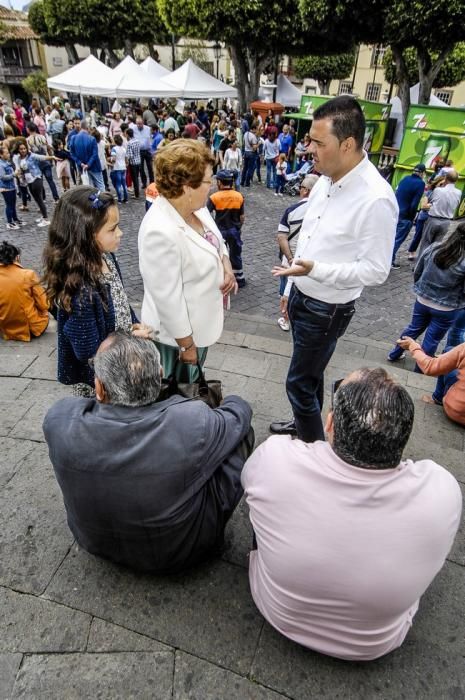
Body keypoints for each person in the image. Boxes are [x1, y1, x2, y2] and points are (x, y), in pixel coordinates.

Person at [242, 366, 461, 661]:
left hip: (277, 612)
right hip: (374, 645)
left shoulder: (276, 459)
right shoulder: (443, 490)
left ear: (330, 423)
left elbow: (248, 483)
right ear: (401, 437)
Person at [44, 331, 254, 574]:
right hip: (182, 553)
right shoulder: (191, 420)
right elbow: (240, 413)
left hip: (93, 542)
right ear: (161, 377)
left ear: (99, 388)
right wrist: (232, 400)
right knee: (242, 436)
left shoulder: (59, 419)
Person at [271, 96, 398, 442]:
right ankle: (304, 423)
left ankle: (314, 452)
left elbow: (376, 270)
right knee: (309, 377)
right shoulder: (326, 177)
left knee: (297, 383)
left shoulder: (376, 198)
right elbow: (310, 239)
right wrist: (291, 289)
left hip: (327, 308)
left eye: (318, 142)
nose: (309, 148)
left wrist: (316, 270)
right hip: (303, 294)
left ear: (348, 144)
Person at [138, 139, 237, 382]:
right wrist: (186, 346)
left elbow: (216, 240)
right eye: (207, 181)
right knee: (177, 395)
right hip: (175, 340)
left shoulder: (197, 208)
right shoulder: (159, 231)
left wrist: (226, 264)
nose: (212, 186)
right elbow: (167, 299)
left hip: (199, 326)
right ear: (185, 186)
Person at [42, 187, 152, 395]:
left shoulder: (106, 257)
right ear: (86, 236)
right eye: (112, 229)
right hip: (101, 379)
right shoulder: (81, 290)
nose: (120, 233)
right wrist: (131, 337)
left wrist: (133, 321)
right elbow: (87, 350)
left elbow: (120, 301)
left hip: (119, 360)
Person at [388, 222, 465, 367]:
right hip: (447, 307)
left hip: (422, 300)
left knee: (413, 328)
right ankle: (421, 368)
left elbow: (418, 271)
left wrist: (421, 289)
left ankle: (395, 353)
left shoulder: (435, 248)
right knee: (432, 339)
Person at [276, 174, 320, 330]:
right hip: (311, 263)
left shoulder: (292, 210)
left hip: (289, 262)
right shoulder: (323, 211)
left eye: (301, 187)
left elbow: (282, 237)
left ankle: (286, 320)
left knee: (285, 291)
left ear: (306, 190)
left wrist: (290, 259)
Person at [0, 240, 49, 341]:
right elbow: (44, 305)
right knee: (43, 293)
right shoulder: (28, 275)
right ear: (17, 257)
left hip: (5, 329)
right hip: (31, 330)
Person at [207, 169, 246, 288]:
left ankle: (221, 278)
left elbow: (206, 214)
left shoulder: (214, 197)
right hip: (234, 230)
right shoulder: (239, 196)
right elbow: (242, 217)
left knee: (219, 255)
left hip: (220, 232)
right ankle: (240, 279)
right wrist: (238, 228)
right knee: (236, 254)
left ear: (219, 182)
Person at [417, 170, 462, 258]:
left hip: (433, 219)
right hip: (446, 222)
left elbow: (428, 201)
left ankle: (419, 266)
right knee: (436, 246)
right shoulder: (459, 193)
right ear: (456, 181)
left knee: (425, 244)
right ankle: (427, 265)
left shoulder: (438, 190)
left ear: (445, 178)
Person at [391, 163, 426, 269]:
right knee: (397, 240)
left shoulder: (405, 179)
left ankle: (387, 259)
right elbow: (414, 203)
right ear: (422, 173)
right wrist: (412, 218)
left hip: (395, 212)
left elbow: (397, 193)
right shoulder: (420, 184)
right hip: (405, 216)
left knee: (391, 237)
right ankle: (388, 261)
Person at [12, 141, 54, 227]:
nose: (23, 150)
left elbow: (41, 157)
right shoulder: (18, 158)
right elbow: (17, 168)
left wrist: (52, 157)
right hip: (28, 180)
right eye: (21, 149)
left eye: (24, 148)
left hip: (36, 178)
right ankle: (43, 216)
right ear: (18, 150)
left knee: (39, 198)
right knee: (36, 198)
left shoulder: (31, 156)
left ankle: (46, 219)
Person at [27, 122, 60, 203]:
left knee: (40, 182)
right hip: (46, 161)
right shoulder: (42, 137)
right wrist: (51, 158)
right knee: (50, 181)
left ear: (28, 129)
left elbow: (29, 153)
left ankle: (43, 198)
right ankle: (56, 198)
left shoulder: (27, 140)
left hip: (36, 164)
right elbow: (48, 148)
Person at [70, 120, 105, 190]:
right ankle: (103, 200)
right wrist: (88, 164)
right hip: (94, 166)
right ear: (88, 127)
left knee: (89, 188)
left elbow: (72, 153)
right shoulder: (92, 139)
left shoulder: (73, 138)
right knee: (100, 185)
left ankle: (92, 200)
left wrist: (80, 163)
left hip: (82, 167)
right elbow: (94, 154)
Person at [0, 144, 22, 230]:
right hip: (6, 188)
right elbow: (3, 177)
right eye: (6, 153)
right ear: (1, 155)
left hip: (11, 187)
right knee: (9, 205)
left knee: (13, 205)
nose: (8, 154)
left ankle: (15, 219)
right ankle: (9, 222)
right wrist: (14, 174)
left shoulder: (6, 162)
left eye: (8, 153)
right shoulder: (1, 165)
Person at [132, 116, 153, 188]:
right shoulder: (133, 129)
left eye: (140, 124)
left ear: (143, 123)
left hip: (147, 150)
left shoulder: (148, 129)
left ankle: (152, 182)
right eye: (137, 124)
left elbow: (150, 139)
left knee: (150, 167)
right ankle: (144, 182)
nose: (139, 125)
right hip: (139, 151)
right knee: (141, 168)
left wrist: (151, 150)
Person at [109, 134, 128, 204]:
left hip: (117, 168)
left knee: (118, 184)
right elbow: (126, 159)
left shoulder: (114, 149)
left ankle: (120, 198)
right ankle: (126, 198)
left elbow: (113, 159)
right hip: (123, 167)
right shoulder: (123, 149)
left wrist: (110, 159)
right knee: (124, 183)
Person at [125, 127, 141, 199]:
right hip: (138, 161)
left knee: (134, 179)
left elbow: (130, 155)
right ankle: (137, 192)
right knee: (137, 177)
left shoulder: (129, 143)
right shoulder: (137, 141)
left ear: (128, 135)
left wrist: (126, 160)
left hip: (133, 163)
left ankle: (136, 194)